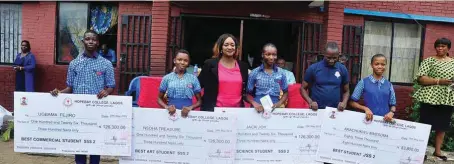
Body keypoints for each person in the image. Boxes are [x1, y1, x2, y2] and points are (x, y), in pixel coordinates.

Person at [50, 30, 115, 164]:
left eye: (93, 39)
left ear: (97, 42)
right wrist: (59, 93)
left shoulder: (106, 64)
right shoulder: (74, 63)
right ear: (83, 42)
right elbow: (70, 88)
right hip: (77, 112)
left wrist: (107, 92)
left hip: (97, 111)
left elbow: (111, 85)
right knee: (79, 144)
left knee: (95, 144)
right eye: (87, 39)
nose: (90, 41)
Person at [413, 38, 454, 161]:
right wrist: (439, 81)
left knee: (442, 125)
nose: (440, 48)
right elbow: (421, 79)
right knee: (426, 124)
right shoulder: (429, 61)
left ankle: (437, 151)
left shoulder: (453, 62)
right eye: (438, 46)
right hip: (429, 97)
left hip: (447, 98)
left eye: (443, 46)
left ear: (448, 48)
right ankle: (421, 150)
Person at [198, 33, 250, 111]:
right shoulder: (210, 64)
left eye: (232, 45)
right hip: (214, 111)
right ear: (220, 47)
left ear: (236, 48)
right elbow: (197, 85)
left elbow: (247, 89)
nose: (230, 47)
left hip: (237, 112)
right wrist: (199, 101)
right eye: (226, 45)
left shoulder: (243, 66)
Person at [300, 42, 349, 111]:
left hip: (335, 111)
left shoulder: (342, 69)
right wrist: (310, 102)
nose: (331, 60)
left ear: (338, 55)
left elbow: (346, 91)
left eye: (334, 58)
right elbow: (302, 88)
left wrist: (344, 102)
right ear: (324, 54)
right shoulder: (313, 68)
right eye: (328, 58)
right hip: (316, 110)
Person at [349, 54, 396, 122]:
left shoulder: (389, 85)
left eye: (383, 64)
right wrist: (365, 109)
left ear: (386, 66)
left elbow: (393, 104)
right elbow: (352, 102)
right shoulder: (363, 82)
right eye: (377, 64)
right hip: (368, 122)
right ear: (371, 65)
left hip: (384, 122)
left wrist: (391, 112)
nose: (380, 66)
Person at [157, 49, 202, 117]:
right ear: (174, 60)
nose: (182, 62)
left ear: (188, 63)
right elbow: (159, 99)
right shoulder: (167, 78)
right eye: (179, 59)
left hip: (187, 114)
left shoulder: (193, 79)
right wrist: (167, 107)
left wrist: (190, 108)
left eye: (185, 60)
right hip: (171, 115)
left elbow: (199, 101)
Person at [247, 43, 289, 112]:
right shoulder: (255, 72)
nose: (271, 57)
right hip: (258, 108)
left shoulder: (281, 73)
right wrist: (254, 103)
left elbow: (286, 92)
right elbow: (247, 93)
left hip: (275, 108)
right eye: (268, 54)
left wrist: (279, 103)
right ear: (262, 55)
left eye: (274, 55)